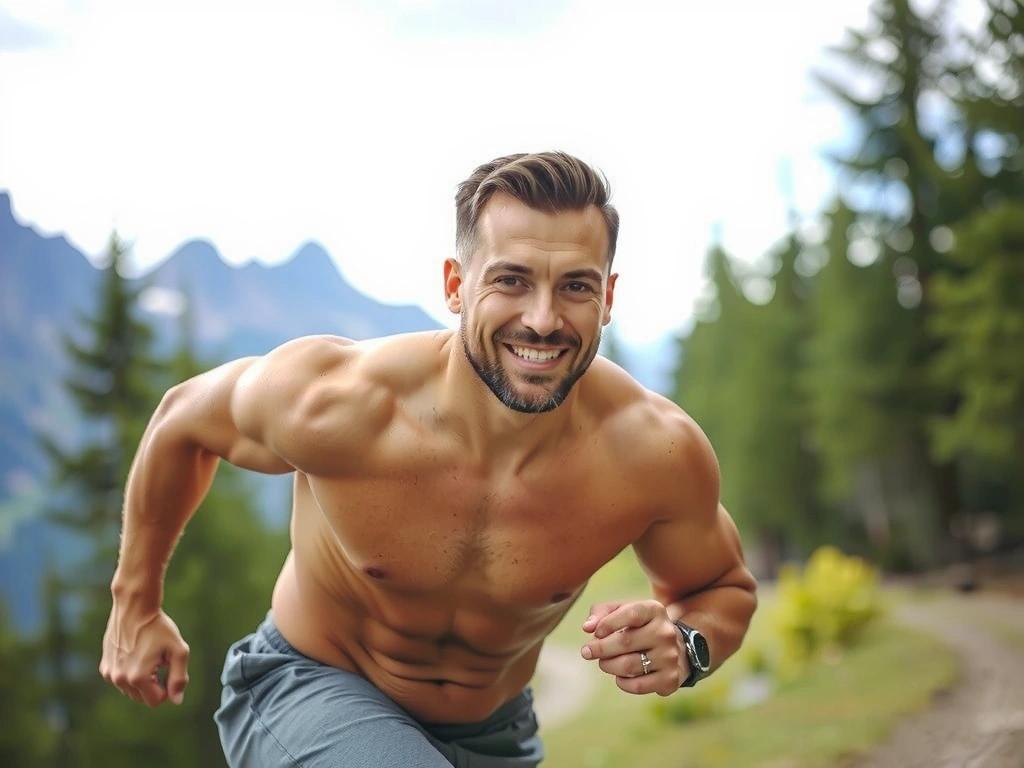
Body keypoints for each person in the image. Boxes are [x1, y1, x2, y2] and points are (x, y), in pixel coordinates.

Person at [99, 150, 758, 767]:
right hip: (308, 684)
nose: (542, 318)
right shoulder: (340, 403)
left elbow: (722, 589)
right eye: (511, 280)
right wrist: (135, 603)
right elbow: (183, 419)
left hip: (497, 734)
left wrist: (687, 646)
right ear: (456, 284)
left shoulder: (653, 453)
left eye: (575, 287)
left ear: (607, 298)